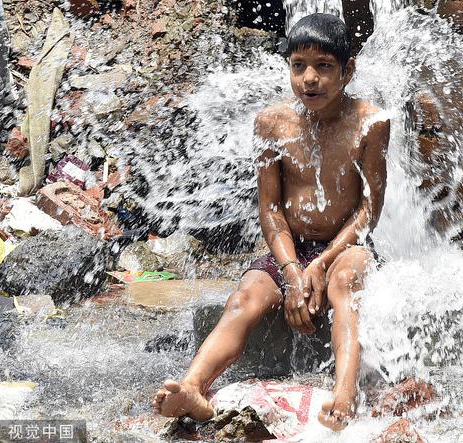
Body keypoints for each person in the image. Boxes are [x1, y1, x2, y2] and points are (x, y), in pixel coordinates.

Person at [153, 12, 390, 431]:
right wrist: (293, 268)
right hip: (290, 250)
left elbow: (369, 211)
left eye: (324, 67)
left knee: (345, 285)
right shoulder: (271, 123)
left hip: (347, 246)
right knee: (245, 297)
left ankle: (343, 397)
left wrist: (319, 265)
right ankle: (192, 387)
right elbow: (271, 209)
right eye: (298, 66)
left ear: (348, 71)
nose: (309, 79)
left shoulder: (371, 123)